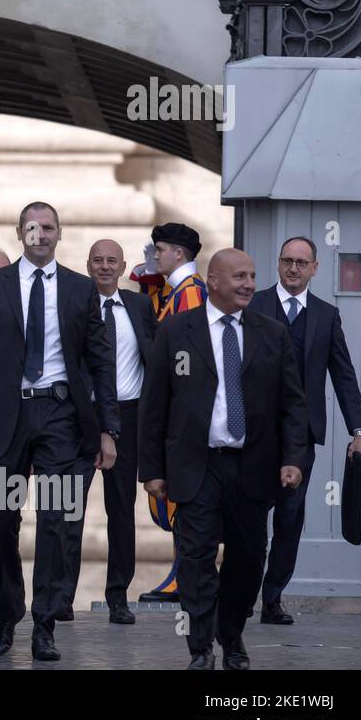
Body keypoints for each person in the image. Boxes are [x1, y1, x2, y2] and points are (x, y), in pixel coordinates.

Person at [0, 202, 119, 662]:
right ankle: (5, 615)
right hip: (3, 419)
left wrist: (108, 429)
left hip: (61, 417)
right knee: (1, 521)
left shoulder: (81, 290)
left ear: (59, 234)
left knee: (56, 520)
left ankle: (44, 625)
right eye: (31, 227)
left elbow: (102, 363)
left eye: (47, 227)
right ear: (19, 233)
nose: (39, 234)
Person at [139, 248, 308, 669]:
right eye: (239, 277)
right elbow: (154, 405)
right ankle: (200, 647)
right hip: (197, 466)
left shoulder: (273, 333)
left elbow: (293, 404)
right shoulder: (176, 331)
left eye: (252, 275)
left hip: (252, 468)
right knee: (195, 558)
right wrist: (152, 472)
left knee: (249, 560)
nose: (249, 284)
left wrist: (294, 459)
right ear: (213, 280)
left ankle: (231, 634)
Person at [252, 237, 361, 624]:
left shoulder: (325, 314)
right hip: (252, 433)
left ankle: (272, 597)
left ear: (315, 269)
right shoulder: (253, 305)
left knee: (289, 518)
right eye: (287, 261)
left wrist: (360, 429)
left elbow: (343, 376)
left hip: (300, 436)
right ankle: (241, 592)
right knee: (249, 518)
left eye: (301, 263)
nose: (293, 268)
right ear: (278, 264)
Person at [65, 239, 158, 625]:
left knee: (122, 511)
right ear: (88, 265)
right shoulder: (72, 305)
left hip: (129, 416)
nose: (104, 267)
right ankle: (59, 599)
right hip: (78, 420)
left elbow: (154, 360)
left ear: (122, 268)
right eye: (97, 260)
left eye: (111, 261)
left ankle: (118, 596)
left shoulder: (139, 306)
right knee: (69, 509)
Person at [135, 222, 207, 602]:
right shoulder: (174, 291)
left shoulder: (190, 294)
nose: (155, 255)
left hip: (181, 413)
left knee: (183, 498)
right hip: (171, 409)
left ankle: (186, 577)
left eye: (160, 248)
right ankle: (182, 574)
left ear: (179, 253)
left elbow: (188, 358)